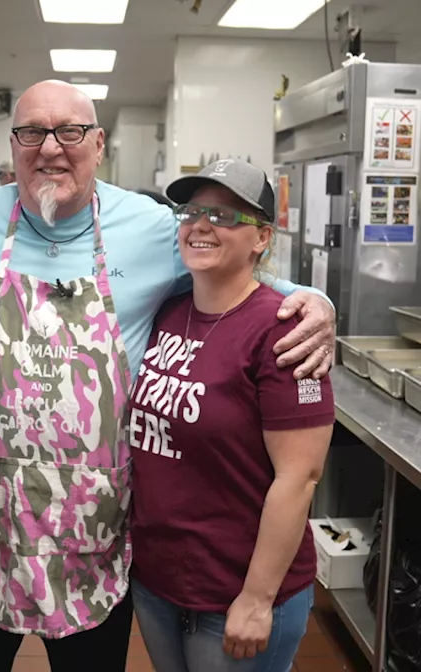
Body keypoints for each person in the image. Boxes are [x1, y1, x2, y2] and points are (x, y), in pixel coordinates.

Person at [0, 80, 335, 672]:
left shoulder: (152, 226)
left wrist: (316, 301)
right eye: (32, 132)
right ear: (13, 143)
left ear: (99, 143)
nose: (50, 148)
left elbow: (238, 271)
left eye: (71, 132)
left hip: (94, 530)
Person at [130, 160, 335, 672]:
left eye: (223, 216)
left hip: (236, 592)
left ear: (262, 237)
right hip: (160, 581)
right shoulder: (168, 313)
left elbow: (300, 477)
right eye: (192, 211)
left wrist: (258, 598)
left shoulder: (285, 331)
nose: (200, 225)